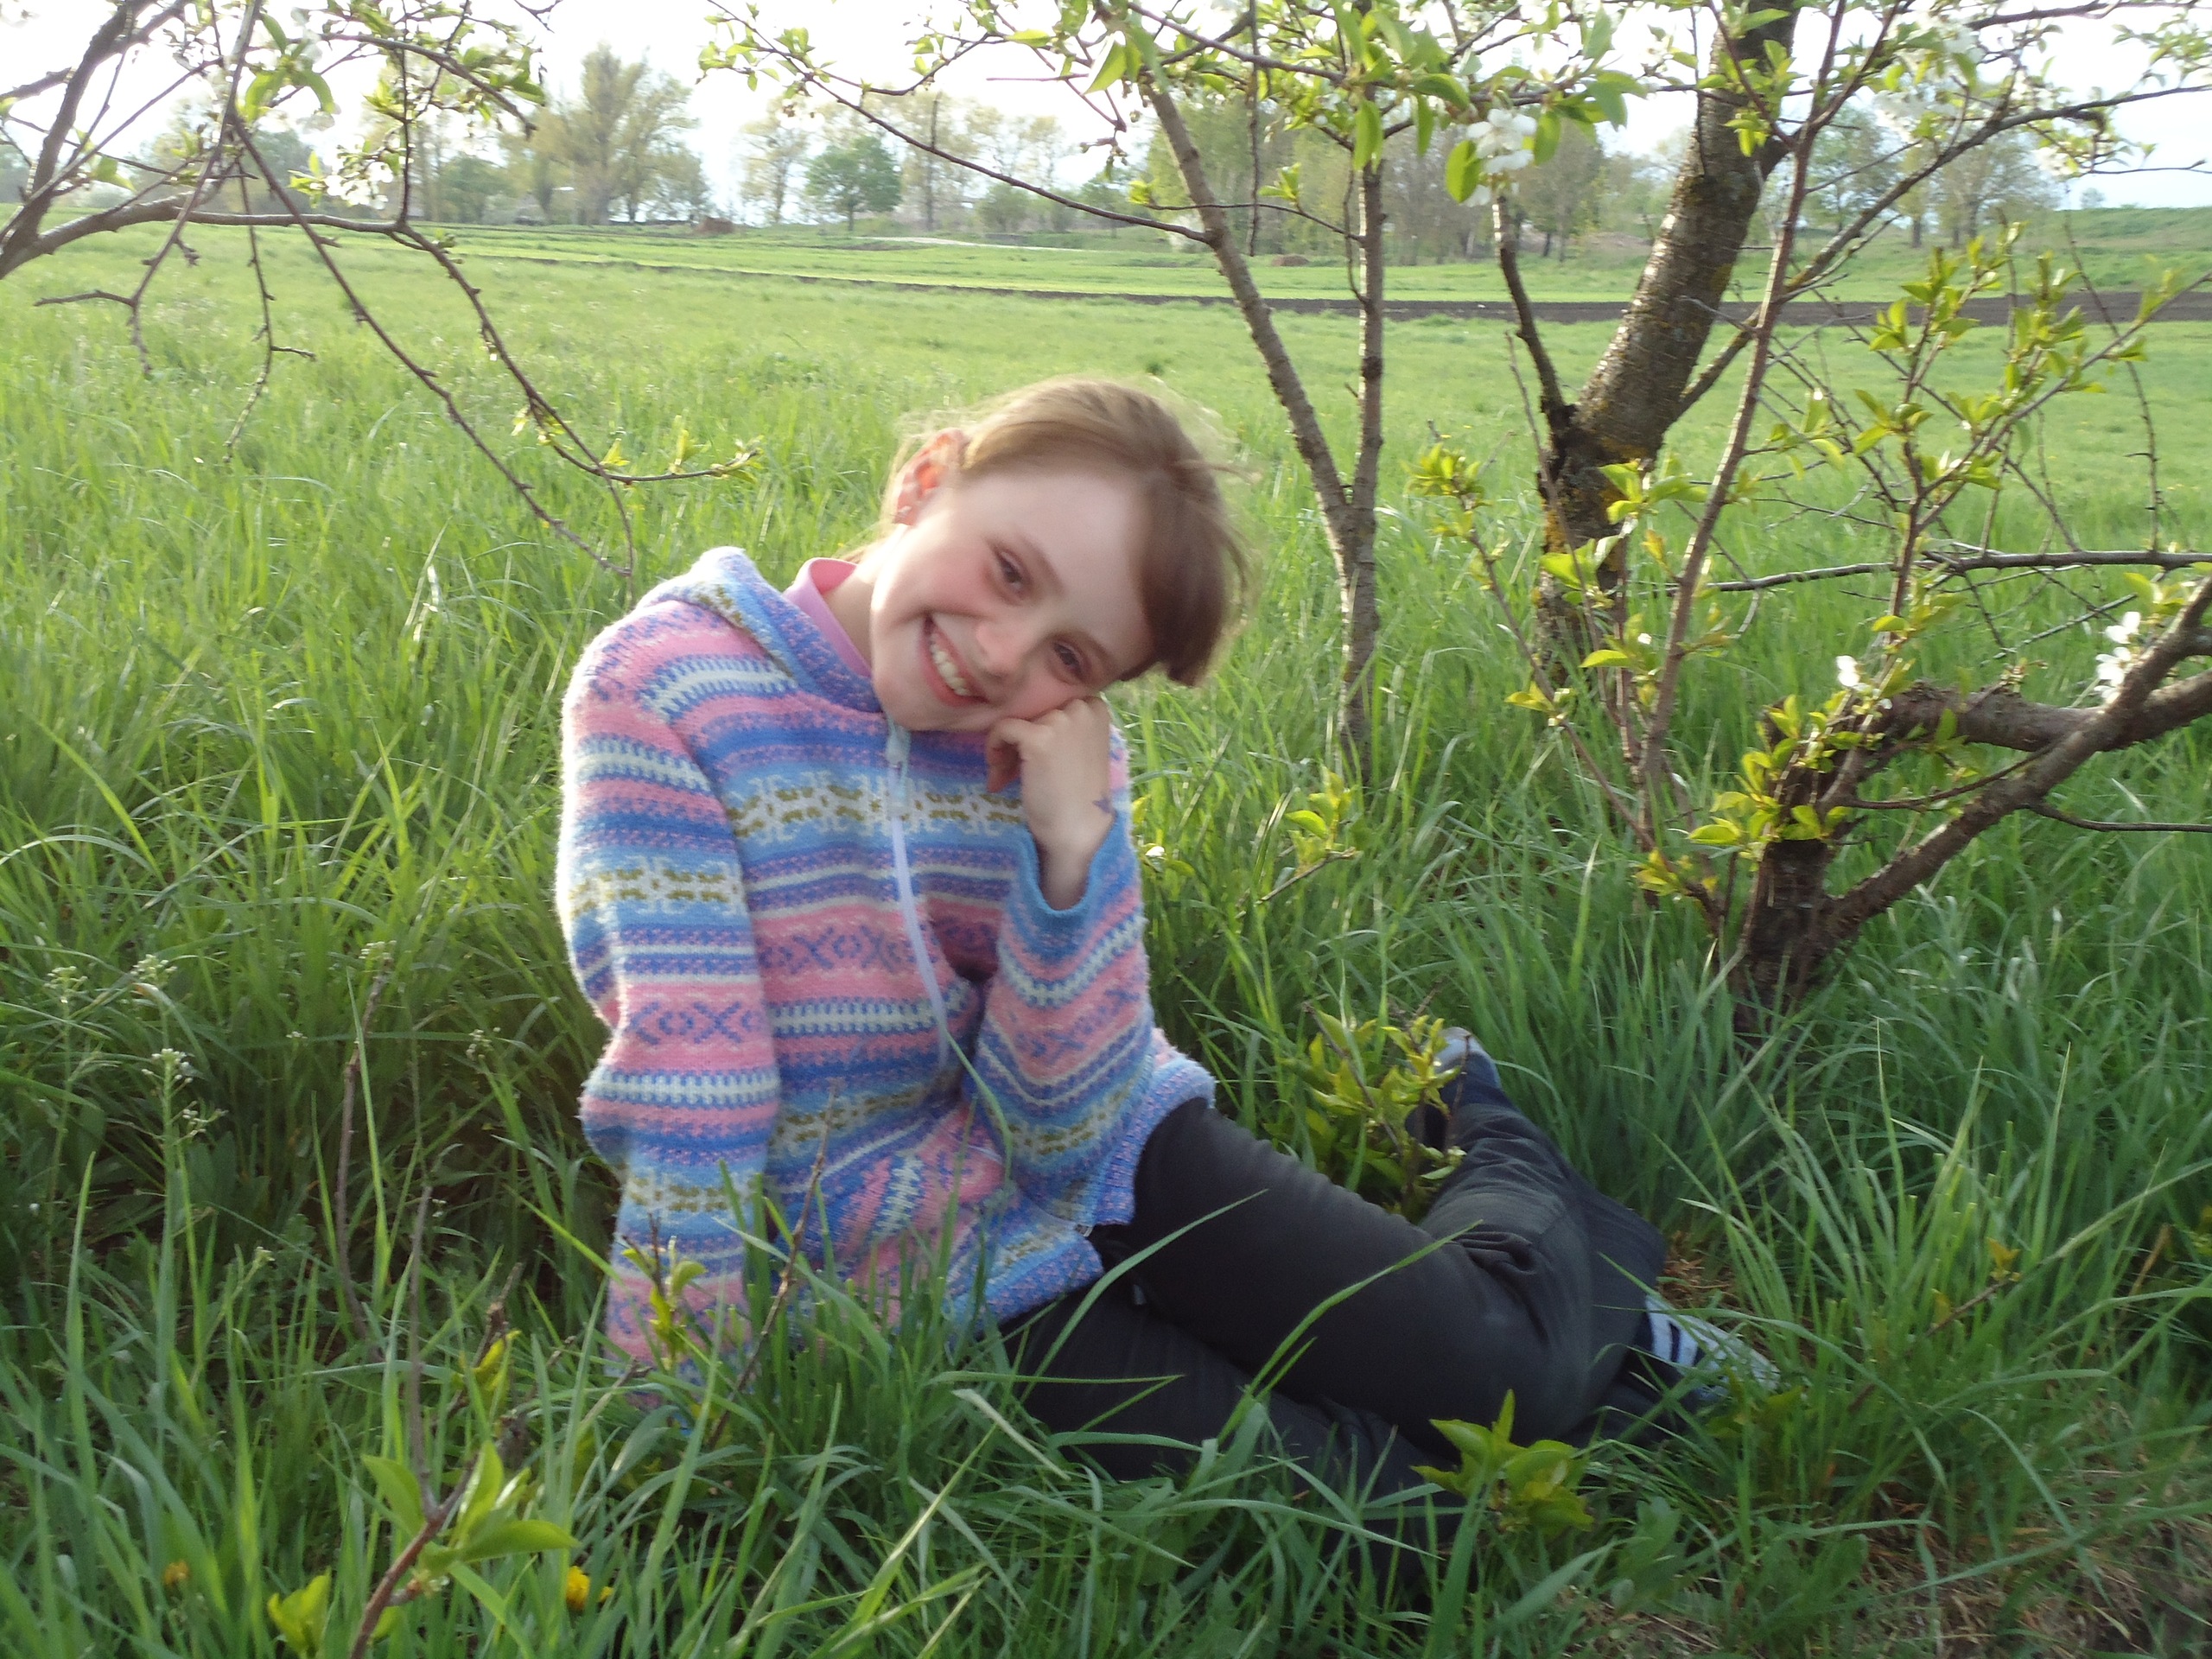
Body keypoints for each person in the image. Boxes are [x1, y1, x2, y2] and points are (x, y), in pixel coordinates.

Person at [556, 377, 1713, 1514]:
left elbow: (1063, 1124)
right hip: (899, 1259)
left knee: (1507, 1373)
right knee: (1393, 1522)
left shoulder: (1055, 752)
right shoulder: (669, 690)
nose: (1004, 655)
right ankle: (1609, 1357)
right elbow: (695, 1081)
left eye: (1073, 657)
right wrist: (675, 1403)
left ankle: (1484, 1125)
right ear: (926, 481)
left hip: (1115, 1147)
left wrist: (1072, 852)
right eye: (1011, 571)